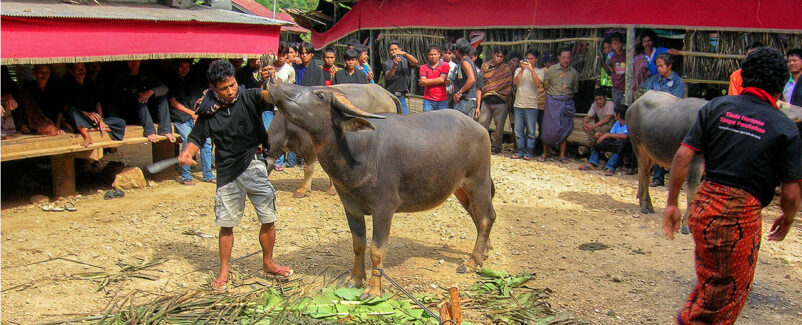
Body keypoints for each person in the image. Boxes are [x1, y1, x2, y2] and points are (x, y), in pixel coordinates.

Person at [663, 47, 801, 325]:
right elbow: (791, 191)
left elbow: (683, 156)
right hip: (738, 219)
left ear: (745, 78)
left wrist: (672, 204)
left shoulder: (715, 107)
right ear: (779, 86)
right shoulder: (784, 127)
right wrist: (788, 217)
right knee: (724, 296)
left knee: (711, 281)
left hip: (703, 209)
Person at [180, 60, 291, 291]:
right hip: (227, 172)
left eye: (232, 85)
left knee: (268, 217)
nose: (230, 91)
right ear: (213, 89)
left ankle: (268, 262)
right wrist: (187, 153)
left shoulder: (249, 96)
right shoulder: (209, 112)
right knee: (226, 224)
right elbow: (195, 139)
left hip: (254, 165)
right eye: (224, 88)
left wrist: (270, 82)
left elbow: (270, 98)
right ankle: (224, 270)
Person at [168, 59, 215, 185]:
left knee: (206, 142)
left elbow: (197, 99)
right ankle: (186, 175)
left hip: (192, 116)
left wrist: (196, 115)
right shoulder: (172, 81)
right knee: (188, 140)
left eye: (187, 67)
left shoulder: (191, 80)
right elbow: (173, 103)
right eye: (182, 67)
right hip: (180, 117)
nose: (185, 70)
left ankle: (208, 174)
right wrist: (191, 114)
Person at [642, 53, 685, 187]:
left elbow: (676, 99)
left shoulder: (678, 81)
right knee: (657, 145)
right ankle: (657, 178)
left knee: (674, 147)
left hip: (672, 118)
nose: (659, 69)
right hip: (656, 117)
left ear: (669, 66)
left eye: (662, 66)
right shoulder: (653, 80)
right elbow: (648, 97)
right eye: (658, 66)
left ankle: (675, 180)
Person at [110, 60, 175, 143]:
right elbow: (114, 99)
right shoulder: (121, 77)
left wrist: (150, 92)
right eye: (131, 61)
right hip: (130, 114)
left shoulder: (146, 73)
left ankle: (165, 130)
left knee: (162, 98)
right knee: (139, 99)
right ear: (126, 62)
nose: (134, 63)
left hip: (147, 113)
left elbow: (164, 88)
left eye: (136, 60)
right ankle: (150, 132)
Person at [63, 63, 127, 147]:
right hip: (79, 119)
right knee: (73, 111)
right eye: (77, 69)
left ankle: (93, 128)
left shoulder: (89, 82)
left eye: (83, 68)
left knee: (121, 122)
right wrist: (87, 114)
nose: (81, 71)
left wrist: (100, 119)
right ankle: (86, 136)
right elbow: (68, 106)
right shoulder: (68, 85)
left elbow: (98, 102)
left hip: (93, 119)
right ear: (71, 71)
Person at [540, 47, 578, 163]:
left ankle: (562, 155)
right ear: (559, 58)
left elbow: (575, 89)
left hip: (566, 102)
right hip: (552, 102)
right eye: (563, 57)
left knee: (565, 128)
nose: (566, 60)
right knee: (547, 128)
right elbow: (546, 86)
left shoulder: (574, 73)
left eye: (568, 58)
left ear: (571, 58)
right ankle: (545, 153)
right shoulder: (551, 70)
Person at [263, 42, 296, 172]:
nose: (281, 57)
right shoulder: (267, 66)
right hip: (267, 105)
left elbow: (291, 89)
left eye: (283, 54)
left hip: (281, 106)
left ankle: (278, 161)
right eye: (279, 54)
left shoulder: (289, 70)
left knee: (279, 133)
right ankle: (266, 157)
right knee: (267, 132)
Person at [478, 47, 513, 154]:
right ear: (493, 55)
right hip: (486, 100)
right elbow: (482, 82)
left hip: (501, 101)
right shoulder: (485, 66)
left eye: (501, 56)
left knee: (499, 127)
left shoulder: (506, 70)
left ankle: (496, 147)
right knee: (482, 124)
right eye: (497, 56)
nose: (499, 58)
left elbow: (508, 86)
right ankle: (482, 145)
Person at [579, 104, 629, 176]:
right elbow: (611, 133)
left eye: (615, 113)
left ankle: (610, 167)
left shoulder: (628, 124)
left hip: (624, 144)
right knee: (598, 142)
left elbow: (625, 136)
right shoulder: (617, 123)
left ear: (619, 115)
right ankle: (592, 163)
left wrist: (608, 135)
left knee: (619, 145)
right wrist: (601, 135)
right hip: (615, 141)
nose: (614, 114)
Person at [512, 49, 544, 160]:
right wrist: (522, 69)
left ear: (536, 60)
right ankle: (520, 151)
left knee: (531, 131)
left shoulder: (539, 72)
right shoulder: (518, 70)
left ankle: (529, 152)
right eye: (527, 58)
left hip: (531, 105)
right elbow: (515, 82)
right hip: (519, 104)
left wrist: (531, 70)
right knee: (518, 130)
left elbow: (538, 84)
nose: (529, 61)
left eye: (531, 59)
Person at [16, 65, 63, 136]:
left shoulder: (55, 88)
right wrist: (22, 124)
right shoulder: (28, 88)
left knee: (50, 128)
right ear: (34, 74)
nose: (44, 75)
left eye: (47, 72)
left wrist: (58, 125)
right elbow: (21, 109)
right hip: (32, 123)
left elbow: (60, 109)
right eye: (41, 72)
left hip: (50, 122)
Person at [383, 41, 419, 114]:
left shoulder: (405, 61)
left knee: (405, 117)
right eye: (391, 50)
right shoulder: (387, 63)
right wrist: (394, 65)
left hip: (402, 94)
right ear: (389, 52)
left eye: (395, 49)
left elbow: (415, 62)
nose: (394, 51)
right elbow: (389, 76)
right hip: (391, 94)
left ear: (399, 49)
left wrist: (405, 54)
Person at [418, 44, 450, 111]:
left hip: (442, 99)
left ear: (439, 54)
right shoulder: (423, 67)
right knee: (427, 120)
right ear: (428, 56)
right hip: (428, 100)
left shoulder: (445, 65)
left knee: (442, 120)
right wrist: (440, 80)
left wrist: (426, 82)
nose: (433, 56)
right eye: (431, 54)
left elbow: (441, 79)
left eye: (435, 54)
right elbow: (423, 81)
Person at [452, 39, 478, 118]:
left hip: (467, 99)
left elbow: (471, 79)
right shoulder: (467, 61)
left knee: (455, 119)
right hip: (469, 99)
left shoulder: (465, 62)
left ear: (458, 50)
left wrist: (459, 93)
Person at [605, 33, 626, 106]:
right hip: (616, 85)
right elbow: (607, 63)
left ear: (622, 43)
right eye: (614, 43)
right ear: (611, 45)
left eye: (619, 43)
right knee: (616, 106)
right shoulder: (611, 55)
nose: (617, 45)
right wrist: (612, 71)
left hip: (626, 86)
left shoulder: (626, 54)